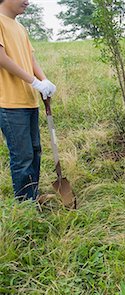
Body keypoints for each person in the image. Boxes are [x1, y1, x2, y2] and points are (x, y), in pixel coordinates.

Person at [0, 0, 56, 202]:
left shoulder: (20, 27)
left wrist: (44, 80)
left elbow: (30, 59)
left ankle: (32, 196)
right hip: (10, 103)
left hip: (29, 100)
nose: (28, 1)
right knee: (22, 157)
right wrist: (34, 81)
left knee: (34, 152)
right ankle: (25, 206)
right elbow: (2, 57)